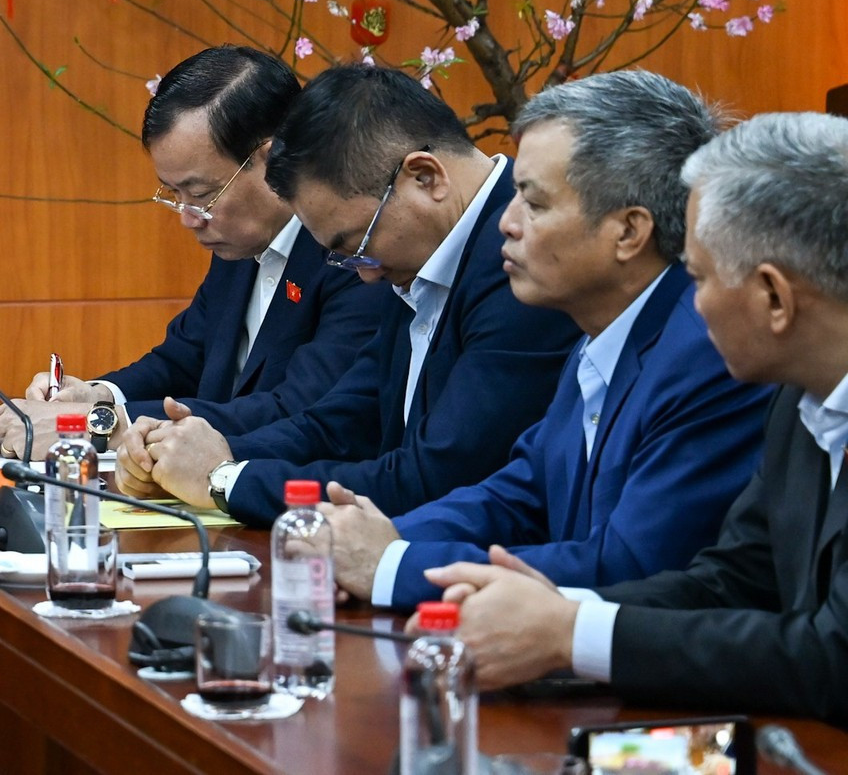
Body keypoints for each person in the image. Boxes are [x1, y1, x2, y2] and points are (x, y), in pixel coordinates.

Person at [422, 113, 848, 725]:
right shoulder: (798, 399)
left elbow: (832, 658)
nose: (691, 305)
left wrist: (572, 634)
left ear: (775, 297)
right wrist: (555, 613)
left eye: (698, 278)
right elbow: (733, 581)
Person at [323, 72, 772, 610]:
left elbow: (631, 567)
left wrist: (393, 566)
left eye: (534, 204)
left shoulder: (707, 352)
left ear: (629, 231)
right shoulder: (599, 332)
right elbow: (524, 492)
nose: (506, 224)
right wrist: (380, 537)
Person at [135, 64, 580, 524]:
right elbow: (345, 421)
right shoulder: (414, 252)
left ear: (425, 178)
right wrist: (199, 454)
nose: (362, 275)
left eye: (355, 246)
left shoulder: (521, 265)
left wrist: (225, 479)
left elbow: (433, 477)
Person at [0, 47, 392, 458]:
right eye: (174, 194)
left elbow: (297, 410)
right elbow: (183, 359)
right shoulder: (238, 242)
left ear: (271, 161)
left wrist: (98, 423)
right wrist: (94, 394)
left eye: (201, 193)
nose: (189, 217)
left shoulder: (350, 256)